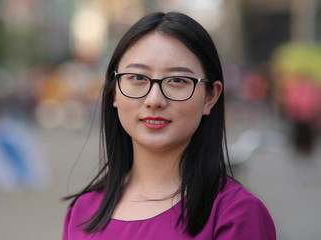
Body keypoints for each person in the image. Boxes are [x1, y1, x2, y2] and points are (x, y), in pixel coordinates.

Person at [62, 12, 276, 239]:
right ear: (114, 90)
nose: (154, 100)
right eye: (137, 78)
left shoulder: (237, 215)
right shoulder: (82, 212)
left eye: (177, 80)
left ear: (210, 97)